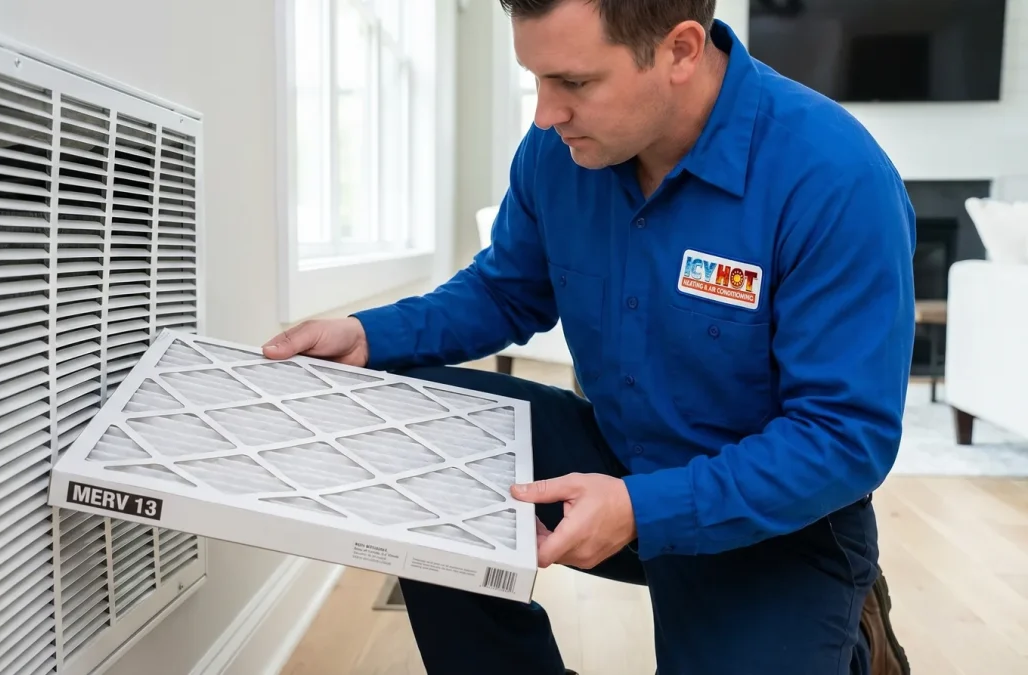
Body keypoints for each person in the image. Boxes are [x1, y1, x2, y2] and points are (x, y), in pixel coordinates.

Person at [264, 1, 916, 673]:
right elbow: (504, 289)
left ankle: (849, 635)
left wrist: (642, 507)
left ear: (681, 51)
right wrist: (366, 335)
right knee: (416, 429)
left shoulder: (835, 179)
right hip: (619, 452)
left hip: (774, 518)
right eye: (536, 80)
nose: (546, 114)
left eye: (574, 83)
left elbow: (844, 436)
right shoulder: (558, 151)